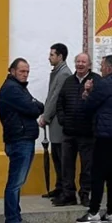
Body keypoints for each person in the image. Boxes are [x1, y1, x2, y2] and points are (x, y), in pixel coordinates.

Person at [76, 54, 112, 223]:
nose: (100, 69)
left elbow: (88, 107)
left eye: (101, 66)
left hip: (105, 135)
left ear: (108, 68)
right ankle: (111, 211)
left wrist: (86, 91)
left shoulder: (105, 84)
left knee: (98, 174)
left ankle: (93, 213)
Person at [0, 57, 44, 223]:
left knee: (18, 182)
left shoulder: (19, 88)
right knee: (15, 183)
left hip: (24, 138)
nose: (25, 74)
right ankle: (12, 222)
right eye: (22, 71)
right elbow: (33, 108)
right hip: (19, 139)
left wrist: (35, 105)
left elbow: (39, 105)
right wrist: (34, 105)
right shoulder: (12, 89)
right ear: (12, 71)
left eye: (27, 72)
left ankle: (15, 216)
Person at [55, 52, 96, 207]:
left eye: (83, 62)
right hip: (69, 132)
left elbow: (98, 102)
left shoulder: (95, 81)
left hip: (87, 134)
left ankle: (85, 194)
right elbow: (60, 102)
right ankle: (68, 195)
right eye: (78, 61)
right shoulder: (68, 81)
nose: (80, 64)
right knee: (67, 166)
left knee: (87, 167)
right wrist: (62, 119)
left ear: (89, 65)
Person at [38, 43, 70, 201]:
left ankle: (64, 189)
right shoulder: (57, 72)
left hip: (59, 122)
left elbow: (56, 97)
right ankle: (59, 187)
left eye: (52, 55)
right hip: (55, 122)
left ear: (60, 56)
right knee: (57, 156)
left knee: (61, 157)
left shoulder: (63, 74)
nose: (49, 57)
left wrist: (46, 116)